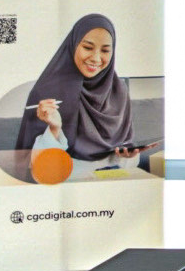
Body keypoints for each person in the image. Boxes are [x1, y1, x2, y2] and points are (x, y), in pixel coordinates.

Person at [15, 13, 141, 167]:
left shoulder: (119, 90)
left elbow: (126, 144)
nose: (96, 58)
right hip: (66, 179)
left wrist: (129, 152)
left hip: (112, 178)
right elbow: (31, 164)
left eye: (105, 51)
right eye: (88, 47)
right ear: (73, 45)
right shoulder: (46, 92)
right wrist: (54, 129)